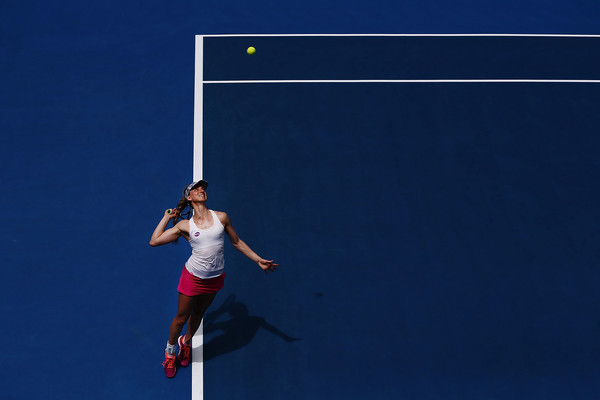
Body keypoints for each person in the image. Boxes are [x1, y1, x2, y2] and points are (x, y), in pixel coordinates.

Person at [149, 180, 279, 378]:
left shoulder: (222, 217)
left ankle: (186, 342)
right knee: (181, 318)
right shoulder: (185, 225)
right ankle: (169, 352)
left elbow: (237, 242)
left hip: (215, 278)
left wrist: (258, 260)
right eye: (196, 189)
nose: (201, 190)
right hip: (192, 278)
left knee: (200, 312)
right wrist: (166, 218)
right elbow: (154, 241)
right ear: (189, 197)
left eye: (203, 188)